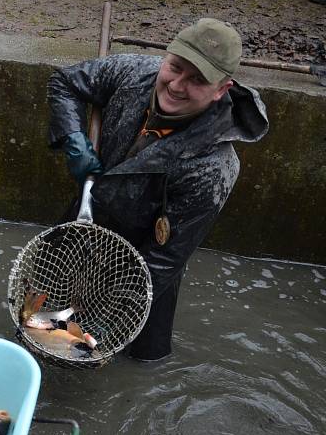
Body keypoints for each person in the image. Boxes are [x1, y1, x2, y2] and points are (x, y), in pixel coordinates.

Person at [47, 18, 268, 361]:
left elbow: (164, 259)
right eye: (175, 68)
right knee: (39, 316)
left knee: (136, 360)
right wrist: (73, 137)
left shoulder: (214, 168)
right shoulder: (134, 71)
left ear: (221, 90)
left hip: (146, 261)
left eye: (197, 80)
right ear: (166, 57)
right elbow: (64, 82)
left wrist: (107, 320)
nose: (177, 86)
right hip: (84, 221)